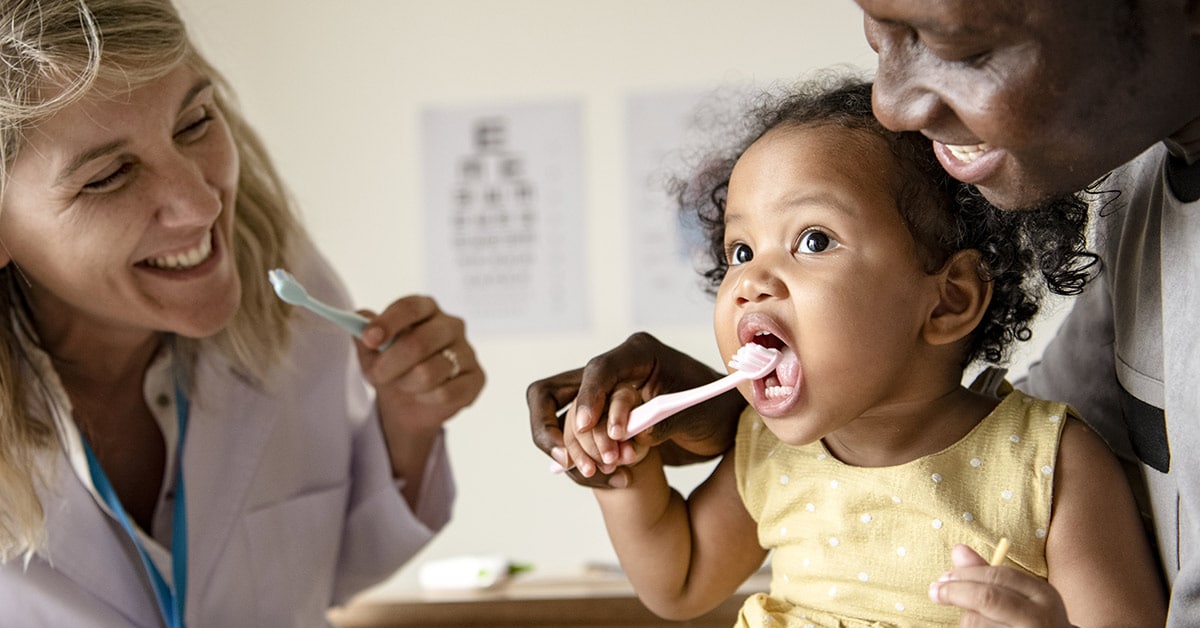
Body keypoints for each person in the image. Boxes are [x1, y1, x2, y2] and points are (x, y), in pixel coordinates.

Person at [528, 1, 1200, 623]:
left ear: (949, 300)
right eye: (739, 250)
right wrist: (626, 476)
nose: (751, 280)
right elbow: (680, 579)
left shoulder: (1050, 465)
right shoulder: (766, 453)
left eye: (813, 240)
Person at [0, 0, 484, 625]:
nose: (199, 204)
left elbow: (329, 570)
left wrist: (407, 425)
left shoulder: (290, 293)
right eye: (110, 175)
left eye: (194, 123)